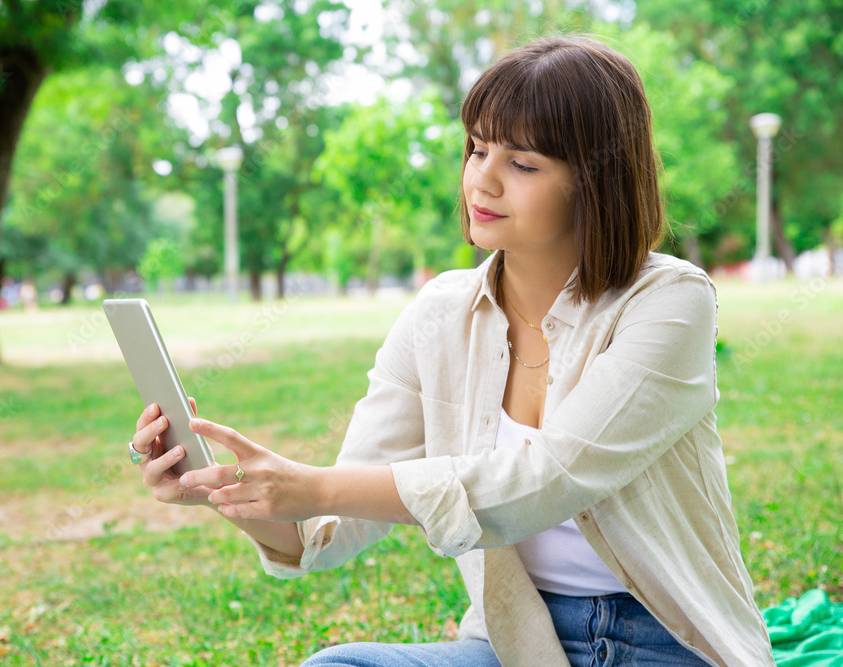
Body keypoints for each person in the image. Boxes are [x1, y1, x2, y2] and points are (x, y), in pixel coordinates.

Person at [129, 35, 776, 667]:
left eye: (522, 164)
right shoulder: (439, 315)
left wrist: (313, 484)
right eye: (476, 149)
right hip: (518, 640)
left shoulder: (669, 300)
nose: (482, 181)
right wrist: (225, 489)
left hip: (667, 641)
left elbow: (543, 482)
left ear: (596, 181)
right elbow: (323, 530)